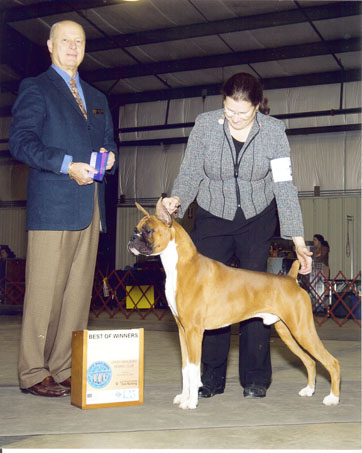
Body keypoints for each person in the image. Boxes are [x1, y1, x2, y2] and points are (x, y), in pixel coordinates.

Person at [162, 72, 312, 400]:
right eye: (229, 110)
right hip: (213, 216)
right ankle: (210, 380)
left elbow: (284, 186)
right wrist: (177, 199)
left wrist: (298, 240)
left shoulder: (274, 132)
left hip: (257, 219)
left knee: (256, 296)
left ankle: (255, 378)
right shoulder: (205, 126)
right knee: (210, 297)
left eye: (243, 112)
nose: (235, 118)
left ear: (258, 106)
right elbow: (191, 172)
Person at [9, 20, 118, 397]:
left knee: (76, 296)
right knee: (44, 293)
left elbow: (107, 143)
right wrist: (65, 164)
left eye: (79, 41)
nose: (73, 47)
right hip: (53, 207)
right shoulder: (36, 88)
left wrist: (109, 157)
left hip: (90, 207)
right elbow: (20, 143)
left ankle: (64, 366)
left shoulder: (98, 97)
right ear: (50, 45)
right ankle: (33, 370)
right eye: (65, 41)